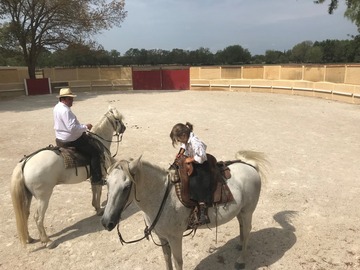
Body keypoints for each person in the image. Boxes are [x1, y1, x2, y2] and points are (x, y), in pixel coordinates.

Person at [53, 88, 105, 185]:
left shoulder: (57, 107)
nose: (72, 101)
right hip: (71, 140)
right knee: (95, 153)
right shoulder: (66, 111)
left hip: (60, 138)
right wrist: (85, 127)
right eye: (70, 99)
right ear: (63, 99)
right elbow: (72, 128)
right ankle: (97, 179)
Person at [170, 122, 212, 224]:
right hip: (191, 162)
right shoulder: (186, 140)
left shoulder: (195, 142)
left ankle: (202, 210)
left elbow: (202, 157)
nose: (178, 141)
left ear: (184, 135)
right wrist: (180, 155)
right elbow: (184, 147)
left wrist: (190, 159)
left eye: (178, 139)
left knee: (195, 182)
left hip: (201, 165)